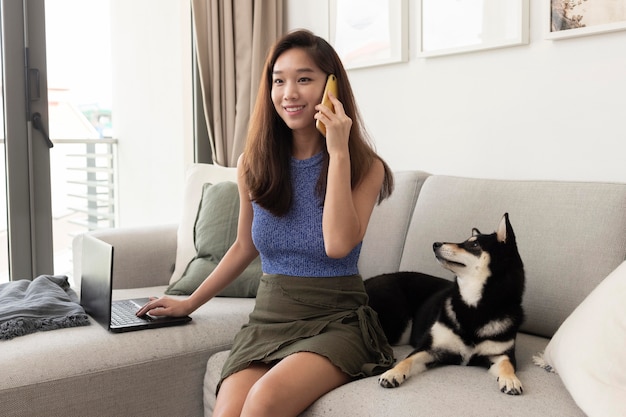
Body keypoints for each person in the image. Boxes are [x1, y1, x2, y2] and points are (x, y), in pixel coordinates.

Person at [136, 29, 395, 417]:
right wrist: (189, 301)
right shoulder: (253, 164)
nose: (288, 92)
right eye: (279, 80)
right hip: (270, 318)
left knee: (263, 401)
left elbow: (338, 246)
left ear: (332, 87)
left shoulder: (365, 167)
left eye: (304, 79)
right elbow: (244, 245)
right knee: (228, 411)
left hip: (337, 321)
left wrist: (338, 153)